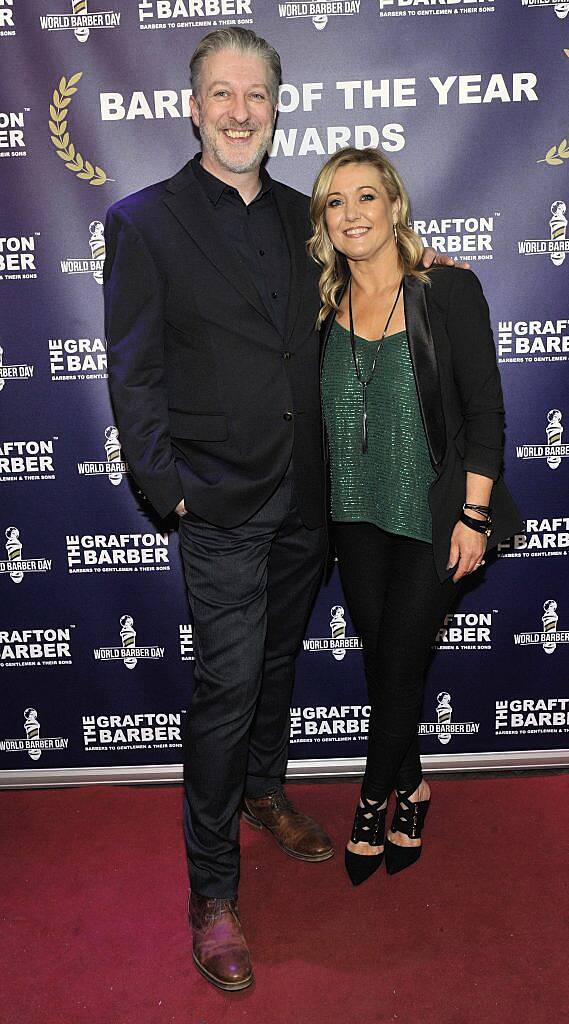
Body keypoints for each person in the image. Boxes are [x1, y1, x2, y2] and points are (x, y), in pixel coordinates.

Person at [104, 30, 457, 990]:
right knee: (224, 689)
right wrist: (165, 484)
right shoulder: (144, 223)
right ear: (192, 107)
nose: (239, 111)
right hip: (215, 501)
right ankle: (213, 892)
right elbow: (132, 372)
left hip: (313, 496)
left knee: (274, 661)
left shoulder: (309, 219)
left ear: (274, 106)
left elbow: (376, 314)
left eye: (255, 94)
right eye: (221, 94)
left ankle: (265, 790)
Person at [310, 147, 522, 886]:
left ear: (394, 206)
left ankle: (375, 802)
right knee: (386, 660)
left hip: (435, 513)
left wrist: (474, 513)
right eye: (335, 202)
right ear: (323, 221)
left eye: (366, 196)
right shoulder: (317, 301)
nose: (352, 213)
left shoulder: (446, 290)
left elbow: (486, 412)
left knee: (399, 656)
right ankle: (417, 783)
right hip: (354, 514)